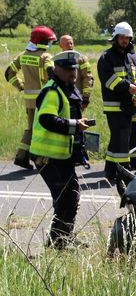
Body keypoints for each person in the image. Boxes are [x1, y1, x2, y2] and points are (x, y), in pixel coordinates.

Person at [29, 50, 91, 249]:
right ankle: (59, 242)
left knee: (68, 196)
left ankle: (62, 238)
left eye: (73, 69)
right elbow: (47, 119)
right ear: (56, 69)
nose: (72, 73)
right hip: (48, 156)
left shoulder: (68, 89)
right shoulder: (53, 91)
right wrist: (74, 125)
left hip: (62, 155)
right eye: (67, 69)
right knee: (67, 197)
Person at [97, 22, 136, 181]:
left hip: (128, 104)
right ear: (116, 38)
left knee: (118, 138)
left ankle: (110, 170)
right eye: (122, 37)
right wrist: (128, 87)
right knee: (122, 137)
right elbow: (108, 80)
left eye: (127, 38)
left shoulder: (131, 57)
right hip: (114, 106)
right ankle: (124, 172)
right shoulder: (106, 57)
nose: (125, 40)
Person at [4, 26, 56, 170]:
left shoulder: (23, 55)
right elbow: (52, 74)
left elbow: (8, 74)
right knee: (45, 129)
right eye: (49, 41)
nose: (50, 44)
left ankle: (21, 157)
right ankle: (40, 160)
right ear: (42, 41)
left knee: (31, 128)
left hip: (29, 101)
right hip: (44, 100)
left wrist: (21, 86)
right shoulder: (46, 57)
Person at [58, 35, 94, 110]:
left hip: (77, 97)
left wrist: (86, 97)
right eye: (67, 44)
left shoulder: (81, 59)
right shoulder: (57, 59)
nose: (70, 46)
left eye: (71, 43)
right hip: (61, 98)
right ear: (60, 46)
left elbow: (87, 77)